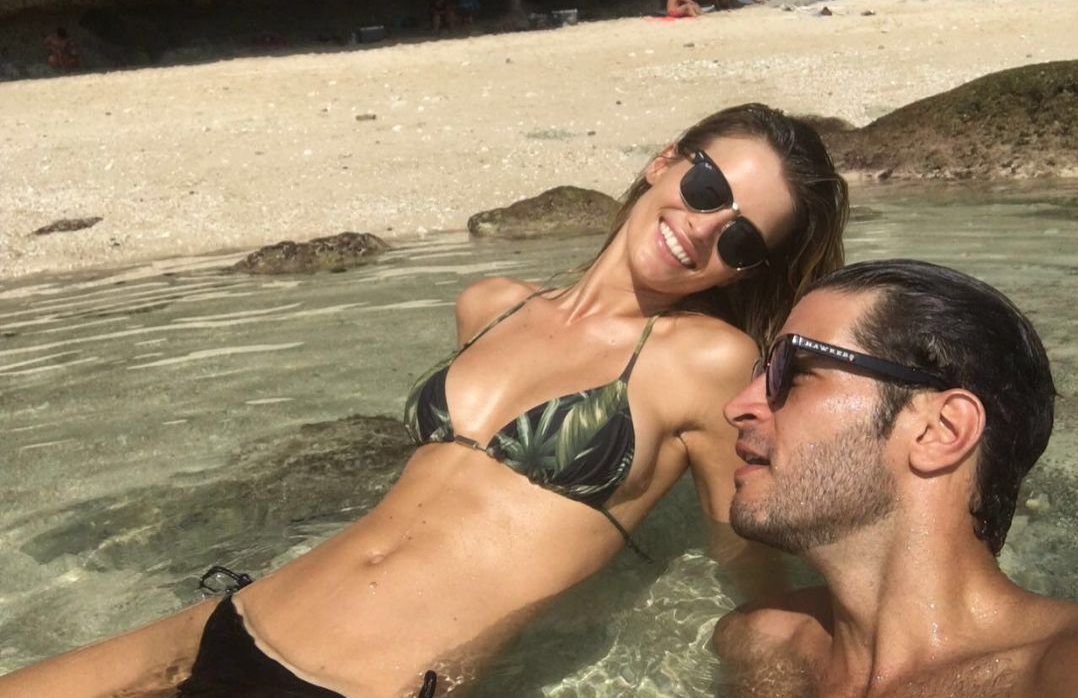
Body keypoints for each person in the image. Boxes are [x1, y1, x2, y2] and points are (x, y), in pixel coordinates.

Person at [0, 103, 849, 698]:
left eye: (742, 237)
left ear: (747, 269)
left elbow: (748, 570)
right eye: (706, 189)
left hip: (370, 681)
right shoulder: (490, 304)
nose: (704, 227)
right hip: (237, 612)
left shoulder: (706, 359)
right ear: (664, 162)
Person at [713, 259, 1078, 697]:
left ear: (941, 430)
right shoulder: (756, 646)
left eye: (794, 372)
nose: (737, 407)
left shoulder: (1057, 672)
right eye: (763, 371)